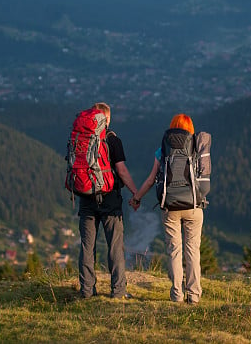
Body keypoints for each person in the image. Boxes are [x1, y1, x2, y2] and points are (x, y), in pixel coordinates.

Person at [131, 113, 204, 304]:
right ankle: (194, 295)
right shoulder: (197, 146)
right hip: (194, 205)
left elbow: (151, 179)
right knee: (193, 250)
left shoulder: (163, 149)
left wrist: (137, 198)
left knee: (175, 250)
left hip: (170, 205)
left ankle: (177, 294)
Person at [77, 102, 139, 299]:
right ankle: (118, 291)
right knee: (115, 246)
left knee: (87, 246)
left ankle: (87, 290)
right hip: (110, 199)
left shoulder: (82, 137)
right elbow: (121, 171)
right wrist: (135, 193)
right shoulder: (113, 140)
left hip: (86, 198)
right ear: (107, 118)